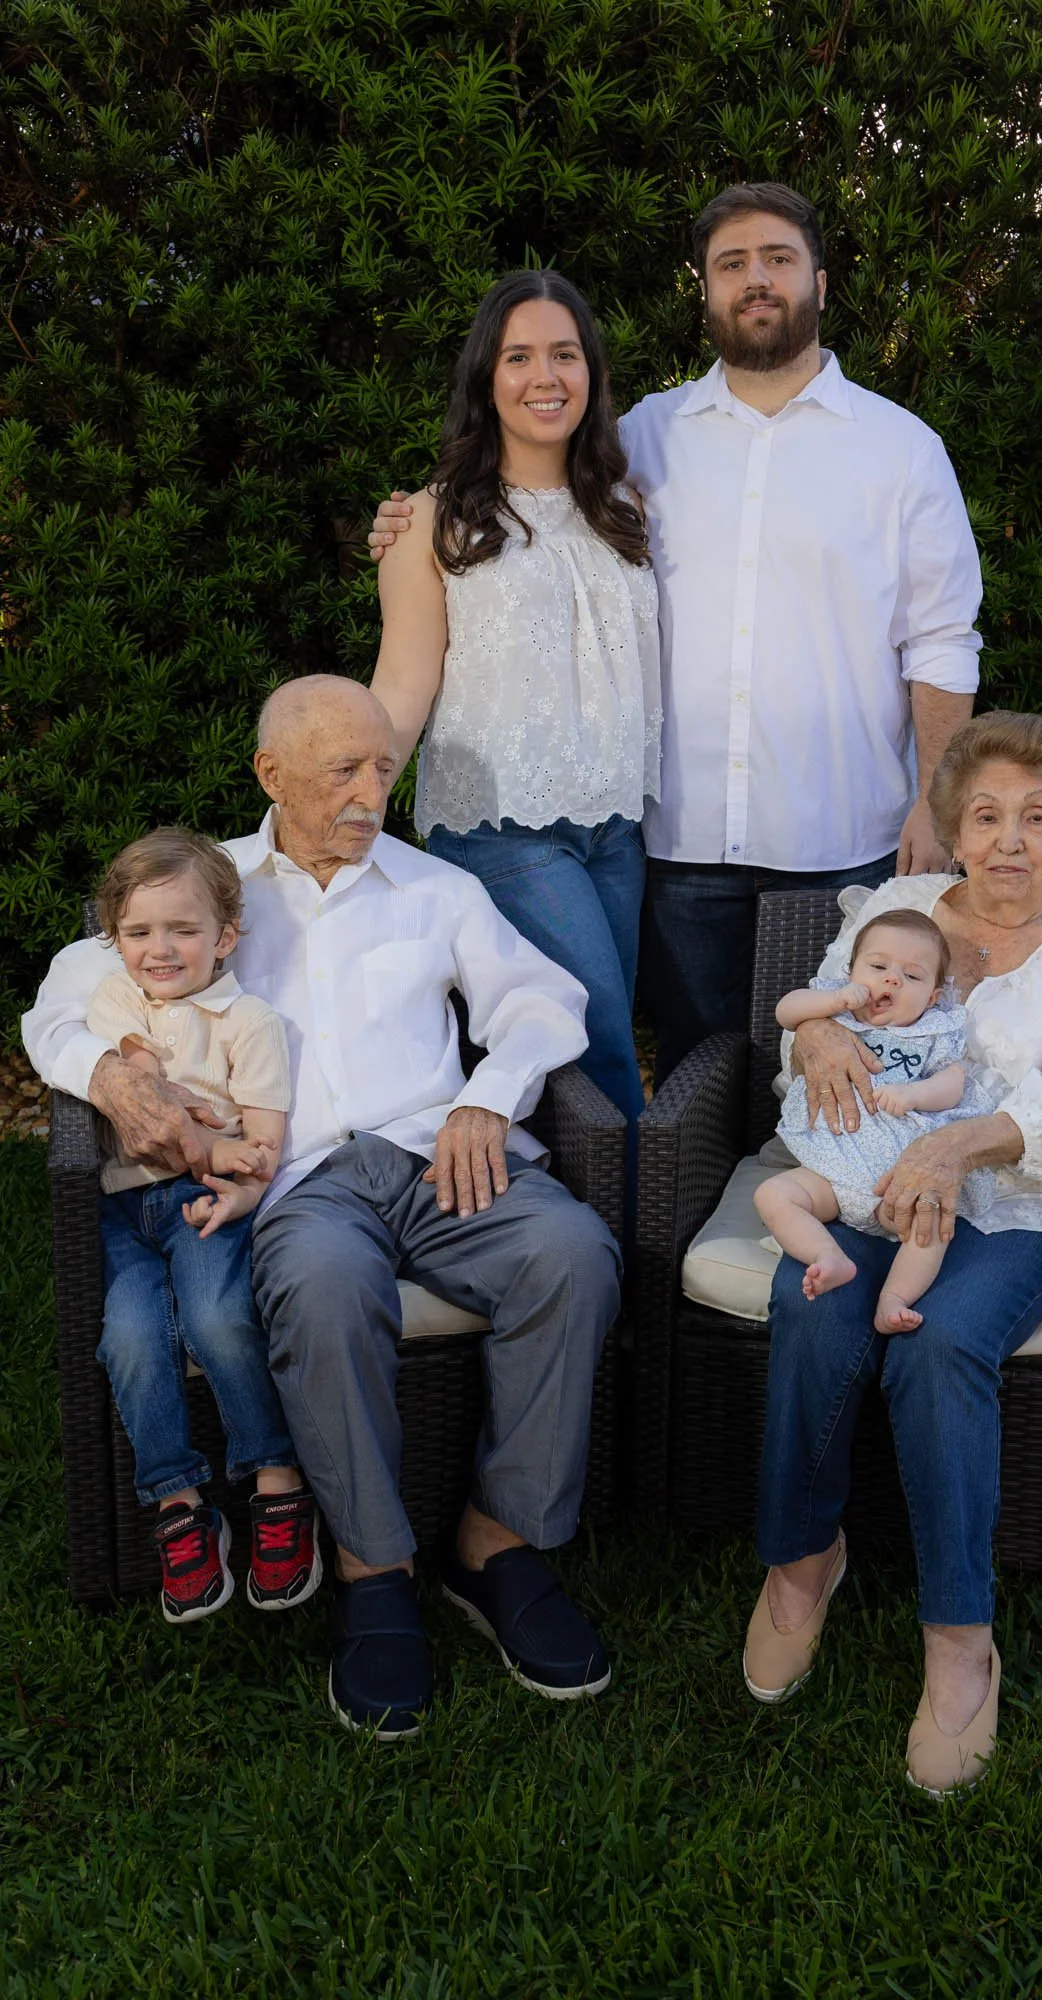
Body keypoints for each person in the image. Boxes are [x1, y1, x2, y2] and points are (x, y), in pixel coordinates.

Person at [23, 676, 621, 1740]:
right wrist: (107, 1075)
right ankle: (371, 1566)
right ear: (272, 773)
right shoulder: (211, 886)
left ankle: (497, 1541)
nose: (370, 792)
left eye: (384, 768)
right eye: (344, 769)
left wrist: (487, 1096)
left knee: (572, 1252)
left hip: (437, 1153)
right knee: (322, 1288)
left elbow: (541, 1000)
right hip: (297, 1180)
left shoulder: (435, 887)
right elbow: (66, 993)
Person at [368, 183, 982, 1082]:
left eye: (777, 258)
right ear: (705, 289)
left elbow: (941, 640)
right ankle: (651, 1179)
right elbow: (522, 486)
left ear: (819, 279)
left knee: (837, 1068)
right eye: (731, 264)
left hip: (839, 835)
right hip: (676, 841)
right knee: (691, 1075)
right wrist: (411, 523)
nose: (755, 279)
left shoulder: (900, 449)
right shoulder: (645, 439)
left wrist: (935, 798)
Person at [743, 711, 1042, 1797]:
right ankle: (801, 1561)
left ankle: (960, 1637)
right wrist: (815, 1033)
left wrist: (955, 1144)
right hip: (869, 1174)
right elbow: (812, 1041)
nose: (1009, 839)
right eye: (985, 815)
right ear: (953, 830)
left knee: (937, 1342)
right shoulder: (896, 912)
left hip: (1020, 1203)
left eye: (1037, 818)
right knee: (814, 1304)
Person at [369, 269, 660, 1146]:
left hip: (615, 826)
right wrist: (353, 799)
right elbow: (403, 683)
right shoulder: (430, 521)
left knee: (573, 1053)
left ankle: (549, 1208)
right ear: (485, 379)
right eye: (519, 357)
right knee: (599, 1039)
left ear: (591, 372)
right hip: (500, 828)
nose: (546, 377)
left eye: (565, 355)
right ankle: (641, 1214)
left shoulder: (624, 509)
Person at [76, 826, 319, 1625]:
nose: (159, 950)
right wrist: (195, 1122)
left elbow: (262, 1144)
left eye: (183, 929)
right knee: (130, 1337)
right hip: (120, 1211)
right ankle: (178, 1502)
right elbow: (133, 1066)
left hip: (204, 1203)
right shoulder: (115, 997)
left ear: (225, 937)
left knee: (218, 1320)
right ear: (115, 937)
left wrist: (226, 1166)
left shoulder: (249, 1021)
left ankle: (275, 1478)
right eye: (138, 932)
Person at [755, 911, 995, 1335]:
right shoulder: (833, 1009)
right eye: (878, 966)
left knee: (930, 1222)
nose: (892, 980)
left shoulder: (933, 1032)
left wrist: (915, 1094)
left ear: (933, 997)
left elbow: (954, 1083)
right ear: (852, 972)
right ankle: (828, 1256)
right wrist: (835, 1002)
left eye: (912, 976)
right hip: (831, 1174)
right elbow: (785, 1011)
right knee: (773, 1195)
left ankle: (895, 1298)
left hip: (899, 1181)